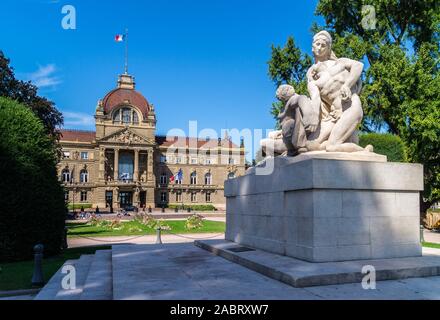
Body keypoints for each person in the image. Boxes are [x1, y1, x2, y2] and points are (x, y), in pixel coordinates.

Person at [306, 30, 373, 153]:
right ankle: (358, 149)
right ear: (312, 47)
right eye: (317, 44)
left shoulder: (340, 63)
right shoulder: (312, 78)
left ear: (328, 48)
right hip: (333, 116)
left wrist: (347, 85)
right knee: (311, 146)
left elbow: (358, 65)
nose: (320, 48)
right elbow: (315, 99)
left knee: (331, 147)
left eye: (323, 45)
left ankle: (364, 151)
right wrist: (314, 116)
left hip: (350, 107)